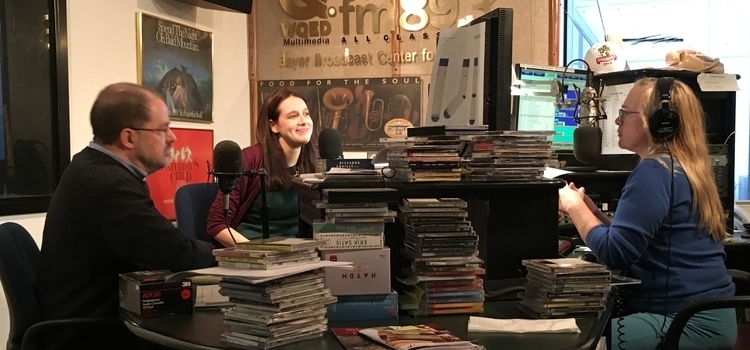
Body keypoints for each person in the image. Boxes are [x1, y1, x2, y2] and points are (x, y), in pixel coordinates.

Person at [558, 77, 736, 350]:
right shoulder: (682, 167)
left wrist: (574, 206)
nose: (617, 121)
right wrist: (592, 213)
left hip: (682, 321)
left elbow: (615, 252)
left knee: (572, 339)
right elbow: (639, 241)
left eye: (624, 113)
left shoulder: (654, 172)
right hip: (710, 317)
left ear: (659, 122)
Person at [36, 82, 217, 349]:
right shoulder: (108, 185)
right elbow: (178, 253)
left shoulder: (93, 167)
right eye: (162, 129)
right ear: (129, 138)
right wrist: (239, 258)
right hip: (92, 335)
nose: (173, 138)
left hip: (103, 316)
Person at [207, 87, 316, 247]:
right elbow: (216, 224)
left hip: (297, 254)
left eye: (306, 114)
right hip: (252, 253)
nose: (304, 121)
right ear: (274, 126)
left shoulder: (314, 161)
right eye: (293, 116)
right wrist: (260, 253)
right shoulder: (250, 160)